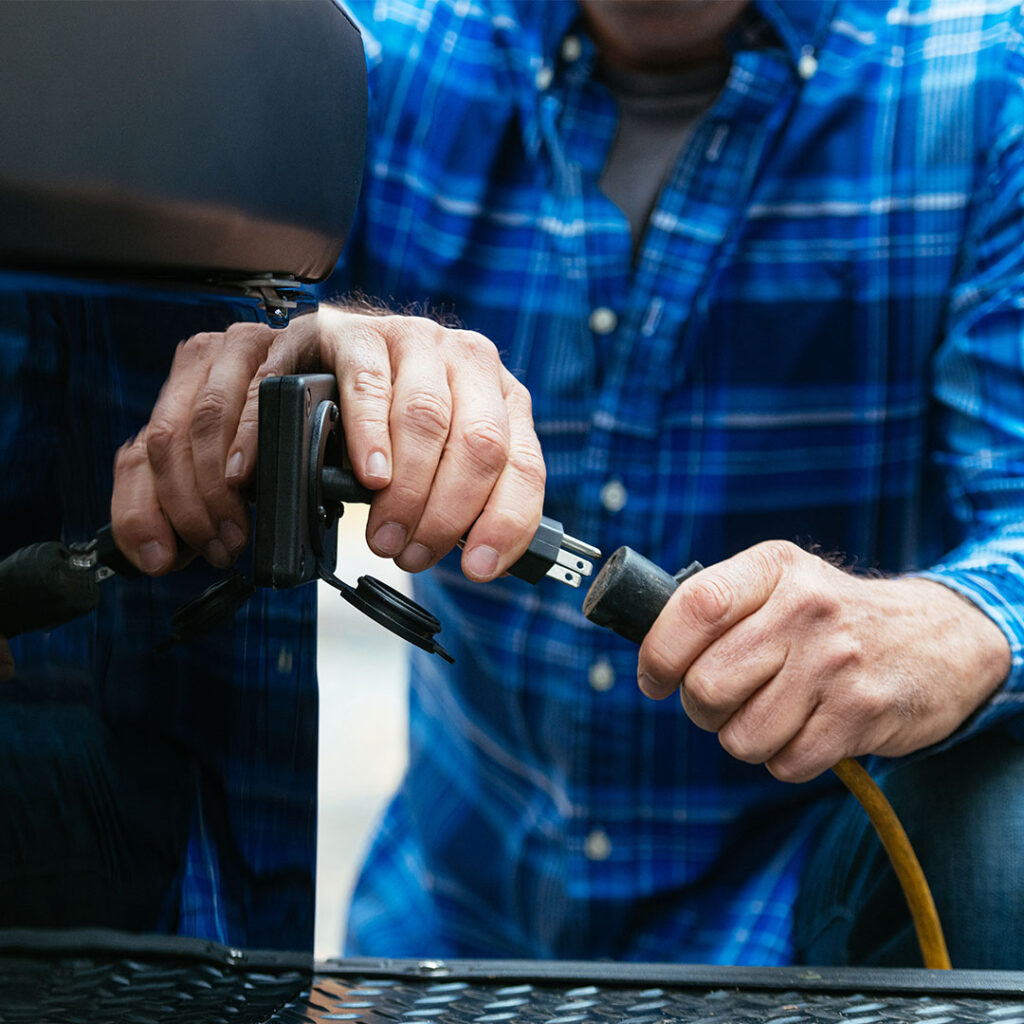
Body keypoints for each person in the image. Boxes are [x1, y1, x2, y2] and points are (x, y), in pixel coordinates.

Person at [110, 0, 1024, 967]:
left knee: (1003, 829)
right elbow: (217, 339)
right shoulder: (382, 63)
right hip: (458, 924)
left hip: (795, 916)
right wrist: (308, 351)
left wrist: (962, 624)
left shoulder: (981, 89)